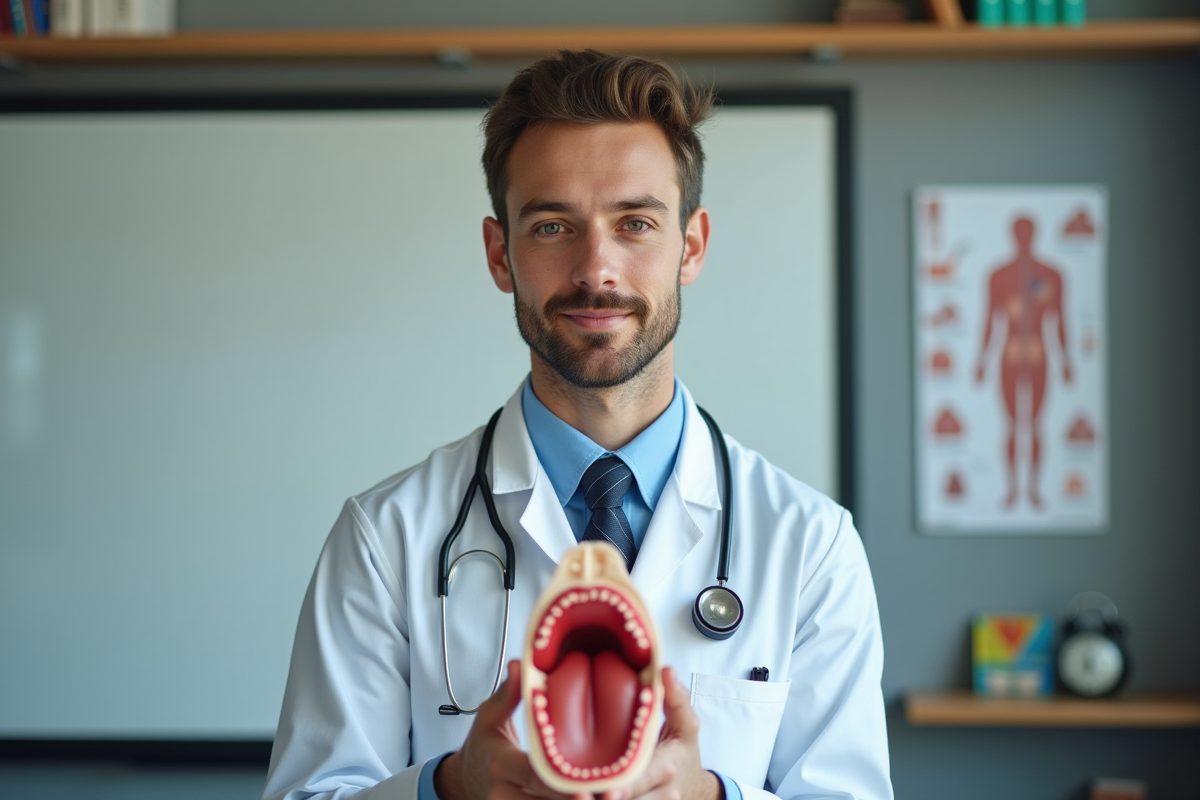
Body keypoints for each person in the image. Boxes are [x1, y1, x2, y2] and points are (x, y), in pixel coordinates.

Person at [262, 50, 891, 800]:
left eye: (635, 223)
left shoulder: (812, 547)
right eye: (555, 226)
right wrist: (449, 788)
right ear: (501, 254)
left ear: (690, 246)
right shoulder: (384, 539)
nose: (597, 269)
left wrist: (708, 796)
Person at [974, 216, 1072, 509]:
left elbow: (1060, 319)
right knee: (1012, 425)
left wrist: (1066, 359)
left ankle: (1034, 489)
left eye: (1028, 233)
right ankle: (1013, 489)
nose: (1024, 238)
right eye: (1020, 233)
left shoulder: (1052, 274)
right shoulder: (999, 275)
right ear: (1013, 236)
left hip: (1040, 355)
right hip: (1010, 355)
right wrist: (982, 359)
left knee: (1036, 424)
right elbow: (990, 319)